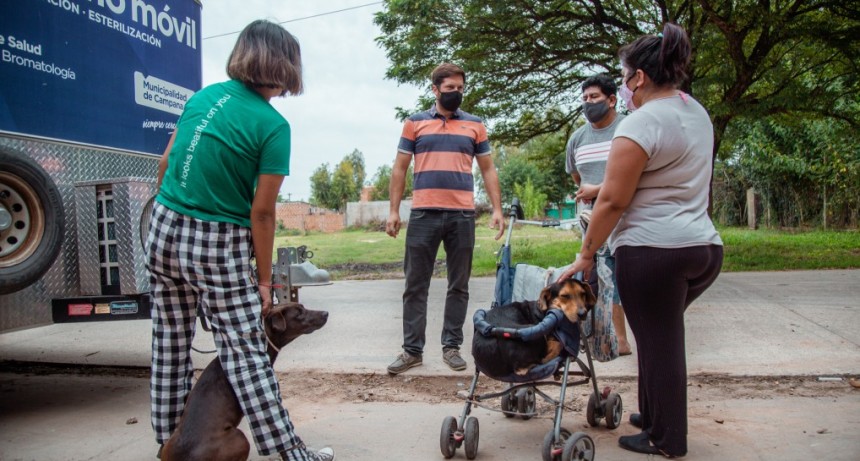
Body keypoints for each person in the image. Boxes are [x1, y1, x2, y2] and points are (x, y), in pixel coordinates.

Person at [146, 20, 334, 461]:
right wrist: (265, 282)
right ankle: (291, 453)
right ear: (285, 65)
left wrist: (168, 212)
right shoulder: (272, 125)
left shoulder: (202, 97)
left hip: (163, 226)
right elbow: (263, 212)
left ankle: (172, 445)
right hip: (215, 238)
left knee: (169, 341)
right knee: (248, 351)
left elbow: (167, 162)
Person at [559, 23, 723, 458]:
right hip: (703, 248)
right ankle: (652, 417)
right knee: (655, 336)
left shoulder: (640, 123)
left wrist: (586, 254)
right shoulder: (696, 111)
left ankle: (667, 439)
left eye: (625, 75)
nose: (625, 84)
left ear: (639, 78)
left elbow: (612, 201)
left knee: (660, 343)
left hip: (654, 251)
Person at [385, 62, 505, 375]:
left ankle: (451, 347)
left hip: (462, 214)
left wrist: (496, 209)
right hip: (423, 213)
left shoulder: (475, 125)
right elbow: (399, 168)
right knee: (415, 285)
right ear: (435, 90)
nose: (456, 93)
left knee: (459, 285)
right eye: (450, 88)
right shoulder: (415, 123)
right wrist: (394, 211)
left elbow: (488, 169)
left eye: (460, 88)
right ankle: (412, 351)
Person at [565, 74, 632, 360]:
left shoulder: (627, 129)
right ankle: (604, 336)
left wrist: (600, 189)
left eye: (594, 97)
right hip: (591, 218)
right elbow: (577, 178)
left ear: (612, 99)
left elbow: (636, 177)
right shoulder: (577, 138)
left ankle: (623, 338)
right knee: (596, 276)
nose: (588, 103)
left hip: (629, 216)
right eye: (585, 99)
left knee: (622, 277)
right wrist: (591, 193)